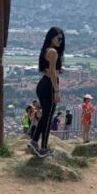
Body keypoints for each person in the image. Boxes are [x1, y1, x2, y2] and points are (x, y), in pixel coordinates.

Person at [30, 27, 65, 157]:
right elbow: (52, 73)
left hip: (43, 84)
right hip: (49, 87)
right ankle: (43, 148)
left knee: (45, 116)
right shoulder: (53, 52)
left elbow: (50, 70)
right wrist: (56, 91)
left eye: (62, 39)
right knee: (48, 117)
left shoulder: (46, 50)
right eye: (59, 38)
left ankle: (34, 141)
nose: (61, 41)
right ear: (51, 38)